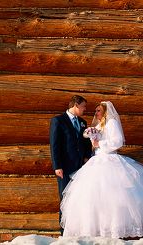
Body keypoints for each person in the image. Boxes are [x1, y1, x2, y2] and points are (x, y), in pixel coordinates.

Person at [60, 101, 143, 238]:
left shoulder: (111, 123)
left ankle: (115, 229)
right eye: (95, 111)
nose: (95, 113)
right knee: (92, 196)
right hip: (96, 160)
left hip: (110, 160)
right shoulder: (98, 125)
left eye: (98, 110)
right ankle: (99, 230)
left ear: (105, 111)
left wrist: (100, 143)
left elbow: (118, 141)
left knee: (114, 196)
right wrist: (93, 141)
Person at [49, 95, 91, 231]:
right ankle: (64, 231)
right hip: (65, 167)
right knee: (65, 199)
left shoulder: (83, 122)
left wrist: (86, 157)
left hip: (81, 168)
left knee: (79, 198)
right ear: (76, 105)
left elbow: (86, 143)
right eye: (83, 106)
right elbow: (54, 145)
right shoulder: (58, 120)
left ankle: (77, 229)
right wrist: (57, 166)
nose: (85, 109)